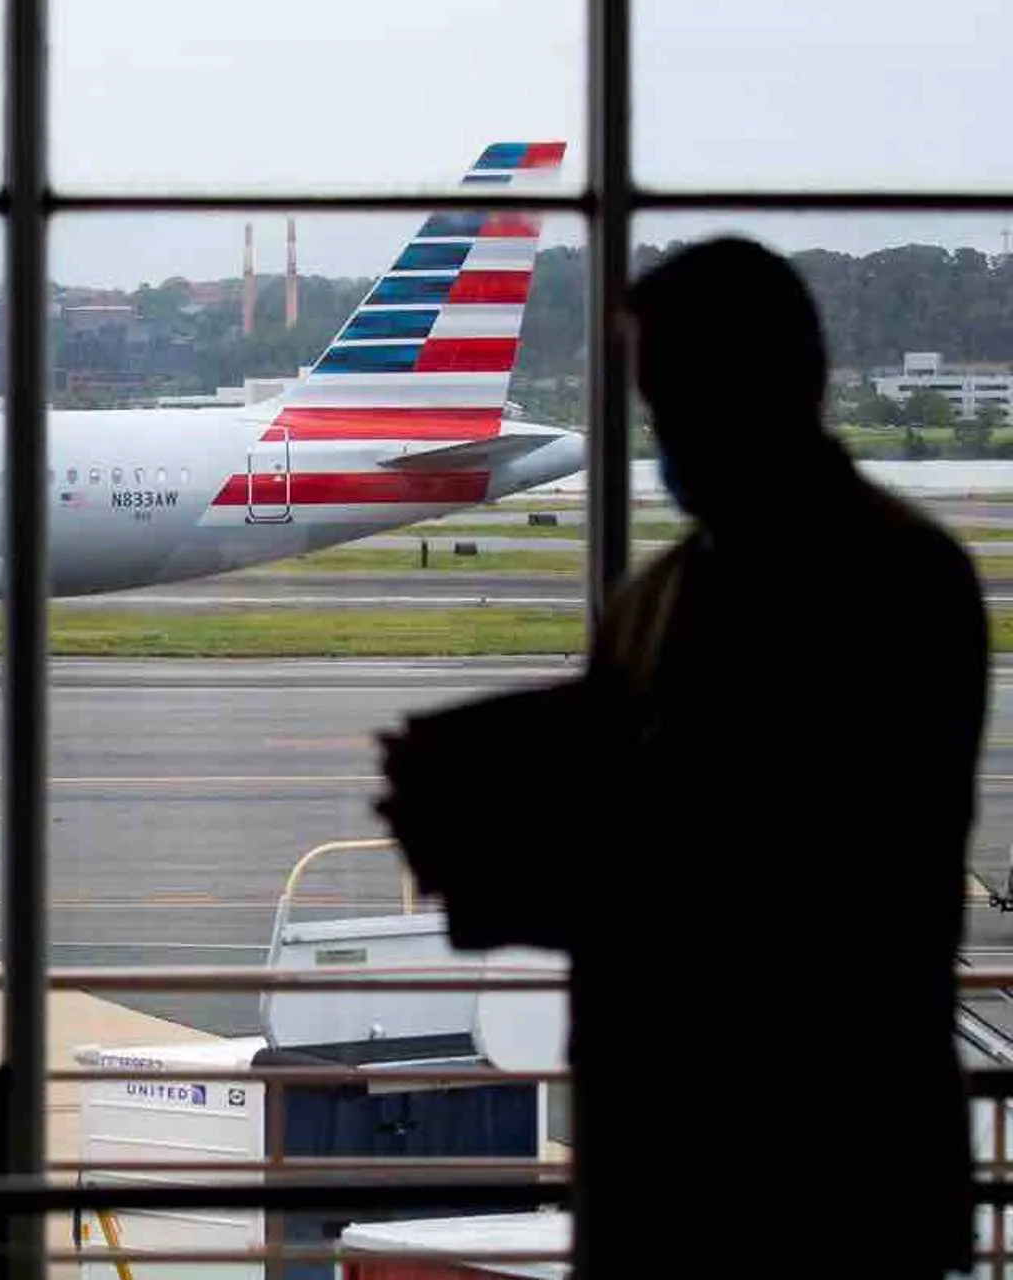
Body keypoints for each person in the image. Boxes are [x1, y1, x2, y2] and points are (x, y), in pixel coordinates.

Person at [374, 236, 988, 1278]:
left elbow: (805, 888)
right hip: (665, 1168)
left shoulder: (899, 588)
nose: (666, 437)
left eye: (680, 402)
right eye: (654, 408)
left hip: (830, 1165)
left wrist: (515, 861)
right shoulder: (657, 600)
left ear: (778, 387)